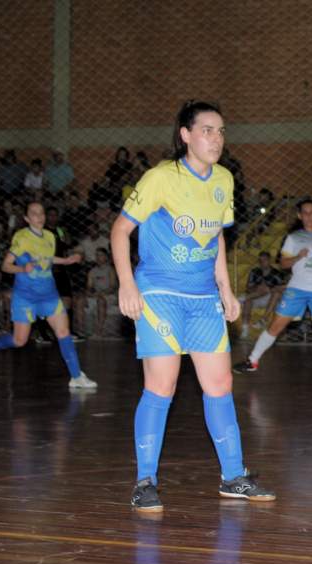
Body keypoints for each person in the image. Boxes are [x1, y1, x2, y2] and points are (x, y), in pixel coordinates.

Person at [110, 100, 274, 512]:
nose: (216, 138)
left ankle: (233, 478)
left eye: (220, 131)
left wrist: (226, 287)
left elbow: (216, 235)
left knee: (219, 386)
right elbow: (120, 230)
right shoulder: (161, 178)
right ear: (185, 135)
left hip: (203, 299)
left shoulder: (223, 179)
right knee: (160, 387)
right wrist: (127, 284)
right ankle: (145, 481)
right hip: (160, 296)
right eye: (207, 130)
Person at [0, 202, 96, 389]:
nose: (39, 216)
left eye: (41, 212)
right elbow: (5, 266)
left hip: (49, 295)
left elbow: (46, 259)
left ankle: (76, 377)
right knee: (19, 340)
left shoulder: (50, 235)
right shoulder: (22, 237)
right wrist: (23, 268)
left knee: (64, 333)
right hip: (26, 297)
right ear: (26, 219)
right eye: (33, 213)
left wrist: (66, 260)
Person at [234, 199, 312, 387]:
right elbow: (283, 263)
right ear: (299, 215)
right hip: (297, 289)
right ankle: (252, 361)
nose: (309, 216)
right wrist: (297, 257)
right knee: (275, 327)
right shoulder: (293, 237)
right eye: (305, 212)